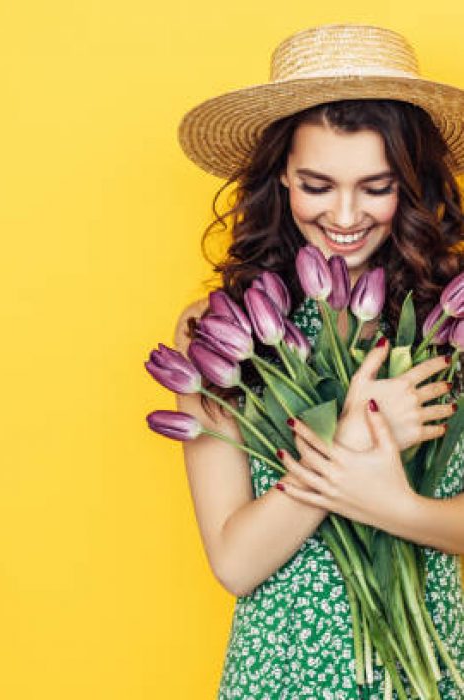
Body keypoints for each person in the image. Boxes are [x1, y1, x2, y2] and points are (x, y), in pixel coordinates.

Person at [173, 23, 464, 698]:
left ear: (412, 184)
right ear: (279, 177)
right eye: (316, 184)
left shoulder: (453, 319)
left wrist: (388, 503)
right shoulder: (223, 329)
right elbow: (237, 562)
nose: (344, 214)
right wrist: (353, 433)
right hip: (278, 677)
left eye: (376, 186)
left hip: (428, 677)